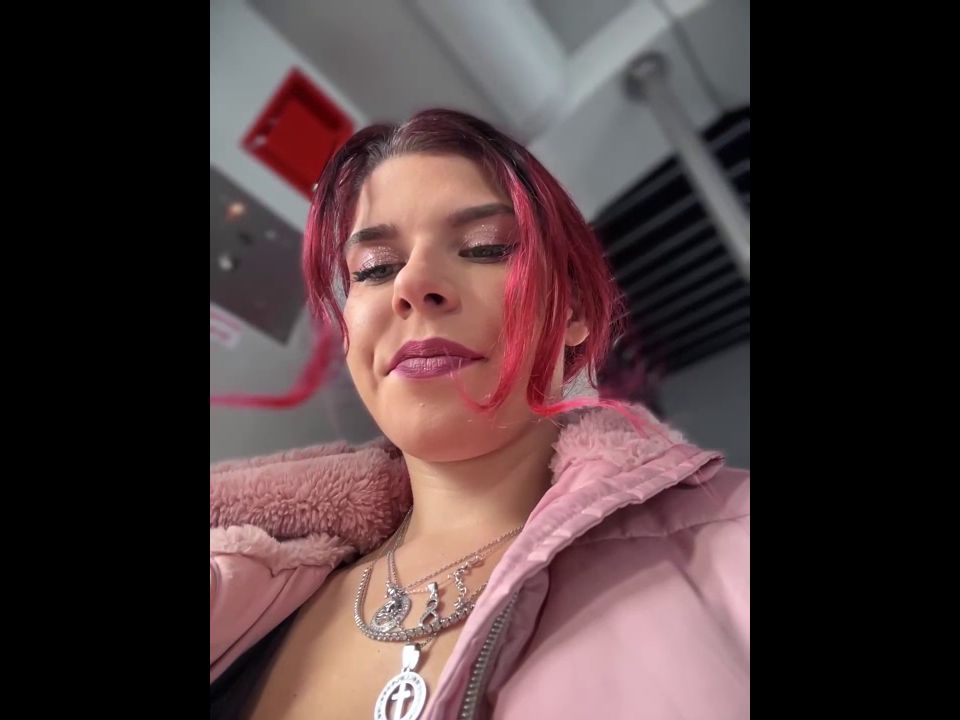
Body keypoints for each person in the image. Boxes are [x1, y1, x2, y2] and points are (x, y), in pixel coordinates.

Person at [210, 109, 749, 719]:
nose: (413, 284)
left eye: (484, 248)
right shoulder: (243, 590)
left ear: (572, 310)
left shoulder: (734, 542)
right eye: (375, 268)